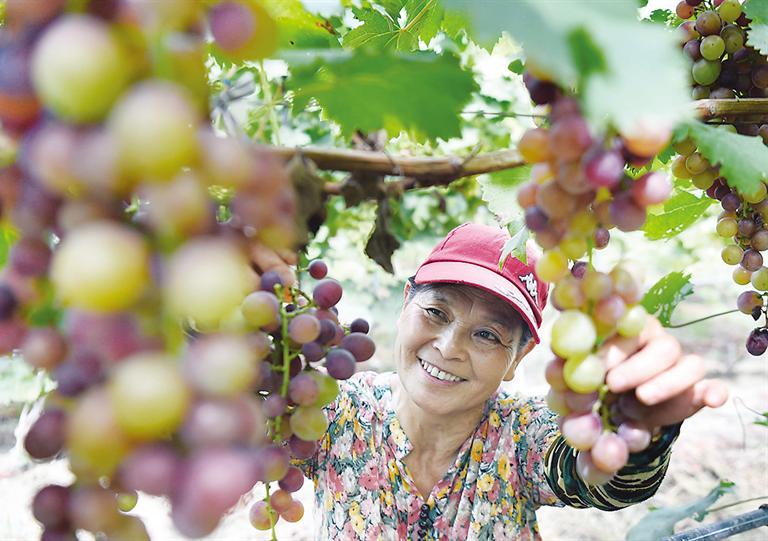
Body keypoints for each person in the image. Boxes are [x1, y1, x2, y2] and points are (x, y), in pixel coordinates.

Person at [289, 222, 727, 540]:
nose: (449, 346)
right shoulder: (337, 413)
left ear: (519, 357)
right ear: (406, 306)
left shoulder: (521, 434)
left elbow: (597, 479)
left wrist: (638, 430)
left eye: (487, 335)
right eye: (436, 312)